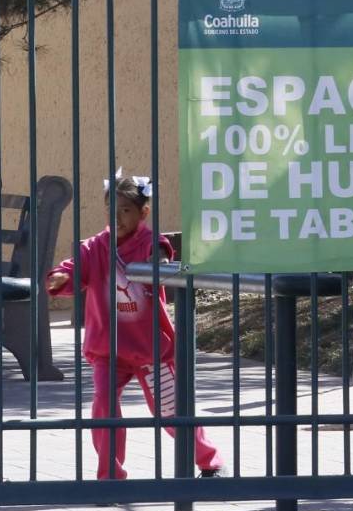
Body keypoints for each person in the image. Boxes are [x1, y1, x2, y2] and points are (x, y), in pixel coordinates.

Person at [45, 172, 224, 483]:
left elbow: (161, 251)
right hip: (109, 350)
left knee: (171, 411)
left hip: (150, 348)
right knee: (104, 408)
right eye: (111, 210)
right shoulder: (95, 247)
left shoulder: (149, 242)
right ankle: (110, 477)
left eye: (126, 210)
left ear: (143, 213)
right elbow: (74, 267)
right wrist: (60, 277)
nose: (117, 218)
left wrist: (158, 262)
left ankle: (210, 462)